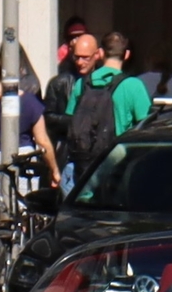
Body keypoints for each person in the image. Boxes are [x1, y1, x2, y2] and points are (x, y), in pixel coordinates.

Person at [62, 31, 154, 181]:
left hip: (83, 166)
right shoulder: (134, 86)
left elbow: (70, 120)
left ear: (100, 53)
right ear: (127, 55)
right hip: (118, 165)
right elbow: (147, 127)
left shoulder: (82, 84)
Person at [0, 71, 59, 184]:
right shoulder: (30, 102)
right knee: (23, 200)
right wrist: (54, 169)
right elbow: (42, 141)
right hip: (24, 159)